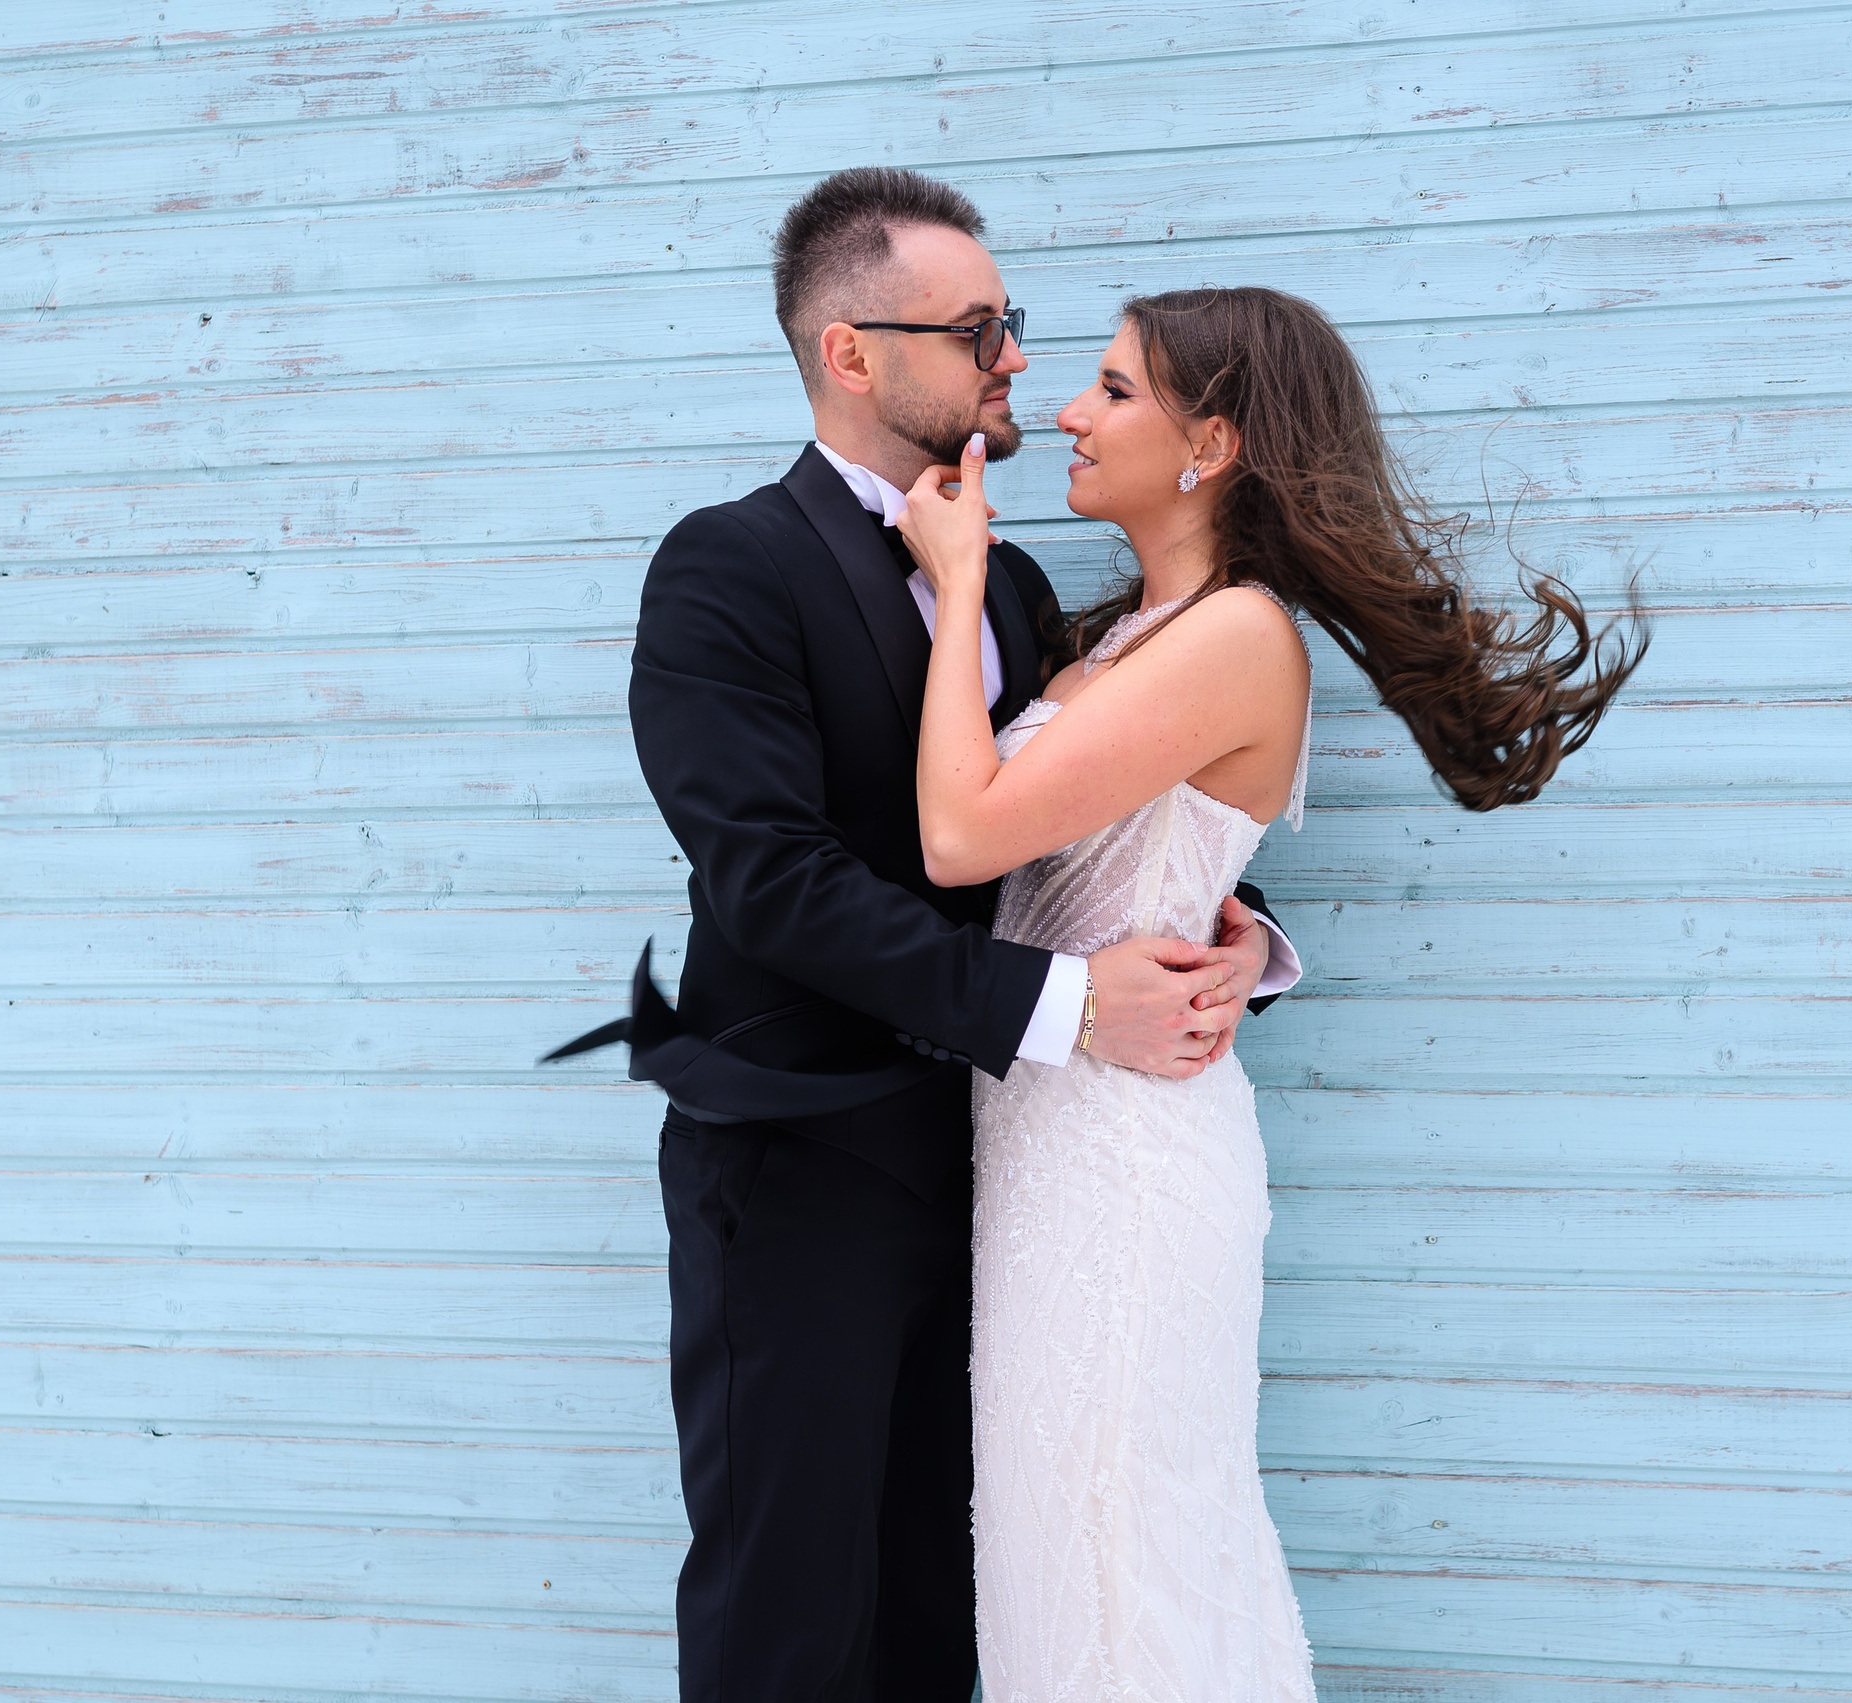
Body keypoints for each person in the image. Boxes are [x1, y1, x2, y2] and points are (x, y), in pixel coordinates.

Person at [587, 169, 1305, 1703]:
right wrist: (1065, 1008)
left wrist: (1234, 936)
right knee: (791, 1617)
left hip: (1009, 1174)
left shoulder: (1023, 579)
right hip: (803, 1172)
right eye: (979, 327)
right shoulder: (727, 567)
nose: (1015, 362)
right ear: (854, 353)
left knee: (952, 1618)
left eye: (1015, 324)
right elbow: (771, 882)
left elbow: (1094, 822)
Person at [893, 285, 1643, 1701]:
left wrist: (957, 581)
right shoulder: (1140, 632)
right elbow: (1127, 877)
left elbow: (961, 832)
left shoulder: (1238, 635)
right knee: (1071, 1574)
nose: (1065, 409)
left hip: (1123, 1172)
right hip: (1052, 1150)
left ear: (1213, 442)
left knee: (1131, 1580)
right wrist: (1247, 940)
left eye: (1112, 391)